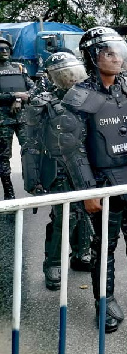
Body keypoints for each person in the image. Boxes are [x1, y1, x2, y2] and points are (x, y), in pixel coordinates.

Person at [58, 27, 127, 333]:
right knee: (104, 246)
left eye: (117, 51)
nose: (116, 57)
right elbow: (73, 150)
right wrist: (87, 192)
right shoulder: (78, 97)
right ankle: (104, 301)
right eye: (108, 52)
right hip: (106, 185)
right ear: (93, 57)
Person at [21, 52, 91, 290]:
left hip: (85, 166)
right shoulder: (41, 103)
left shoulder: (89, 97)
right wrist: (33, 179)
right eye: (64, 75)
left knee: (86, 212)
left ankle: (81, 253)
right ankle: (52, 263)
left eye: (73, 73)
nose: (71, 79)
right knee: (64, 217)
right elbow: (30, 145)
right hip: (58, 167)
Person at [0, 36, 34, 199]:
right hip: (2, 122)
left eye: (6, 49)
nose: (4, 51)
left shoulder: (19, 68)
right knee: (3, 157)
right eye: (0, 49)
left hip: (22, 119)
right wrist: (14, 95)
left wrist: (19, 99)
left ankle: (34, 186)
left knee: (30, 152)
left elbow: (33, 89)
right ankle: (9, 193)